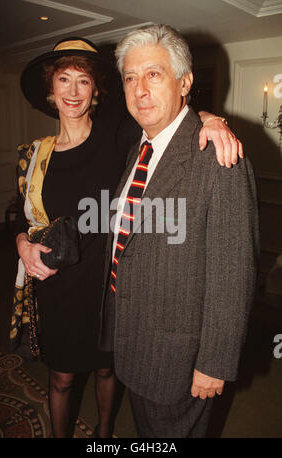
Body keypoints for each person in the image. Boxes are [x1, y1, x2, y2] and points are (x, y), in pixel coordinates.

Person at [10, 36, 244, 438]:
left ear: (96, 89)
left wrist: (211, 118)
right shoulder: (34, 153)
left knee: (108, 371)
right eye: (63, 80)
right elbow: (21, 215)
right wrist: (20, 243)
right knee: (62, 379)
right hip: (59, 288)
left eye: (82, 81)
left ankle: (103, 433)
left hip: (106, 288)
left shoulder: (119, 137)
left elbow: (167, 122)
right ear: (50, 90)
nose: (72, 91)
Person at [99, 25, 259, 438]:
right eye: (130, 78)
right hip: (134, 343)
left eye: (154, 74)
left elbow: (233, 272)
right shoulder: (141, 146)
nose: (139, 90)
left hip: (181, 359)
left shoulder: (219, 156)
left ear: (185, 82)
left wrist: (214, 362)